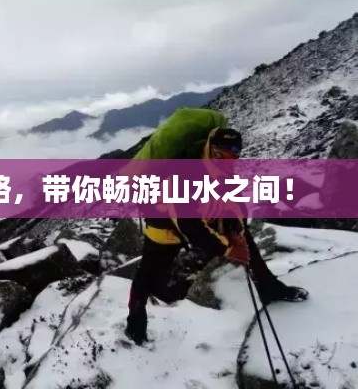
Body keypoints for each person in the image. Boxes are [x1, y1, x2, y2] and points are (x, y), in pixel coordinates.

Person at [124, 111, 309, 346]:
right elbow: (189, 224)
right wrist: (227, 249)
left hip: (200, 212)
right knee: (147, 276)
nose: (227, 162)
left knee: (246, 241)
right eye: (221, 155)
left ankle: (269, 288)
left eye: (232, 157)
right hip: (164, 225)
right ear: (210, 149)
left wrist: (237, 228)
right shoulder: (185, 174)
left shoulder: (219, 165)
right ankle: (135, 325)